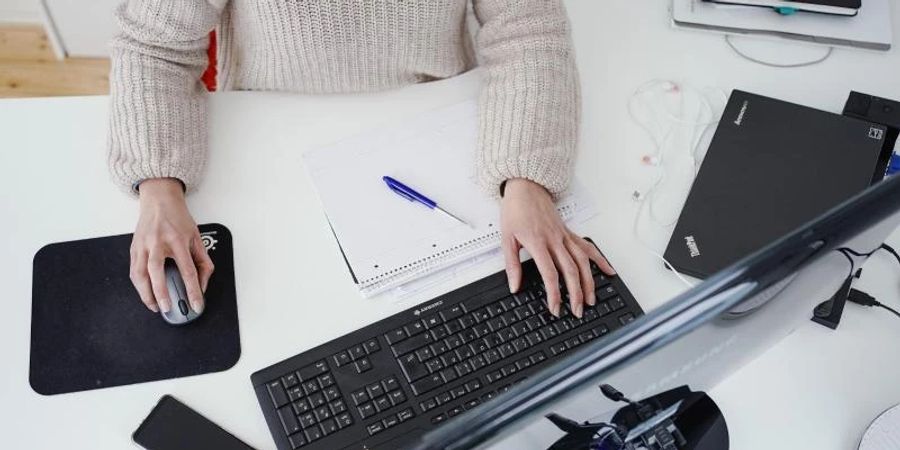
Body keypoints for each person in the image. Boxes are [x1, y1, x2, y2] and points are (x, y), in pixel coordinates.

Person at [108, 0, 615, 322]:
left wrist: (526, 178)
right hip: (271, 136)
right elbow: (154, 45)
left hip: (432, 118)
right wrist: (158, 186)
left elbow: (527, 28)